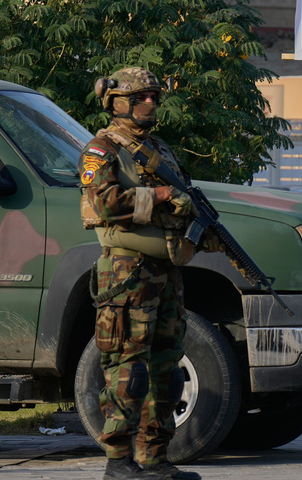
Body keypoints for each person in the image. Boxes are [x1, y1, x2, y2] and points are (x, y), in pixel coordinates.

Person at [80, 68, 208, 480]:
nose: (151, 103)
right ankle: (118, 462)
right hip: (126, 272)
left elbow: (182, 199)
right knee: (127, 368)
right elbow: (103, 204)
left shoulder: (160, 149)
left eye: (154, 96)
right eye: (141, 97)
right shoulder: (101, 150)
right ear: (116, 102)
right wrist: (161, 195)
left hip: (166, 271)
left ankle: (154, 459)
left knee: (166, 370)